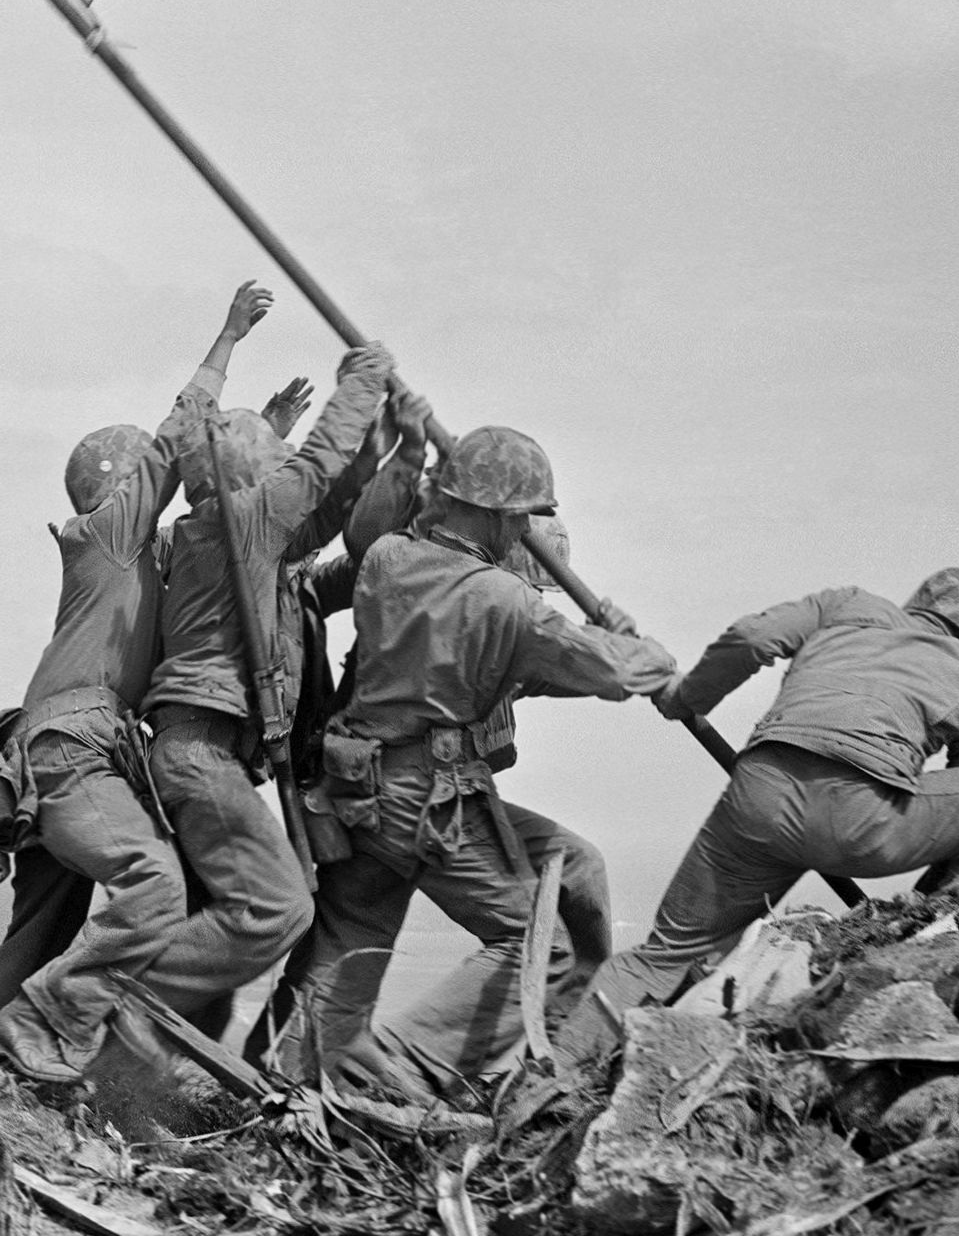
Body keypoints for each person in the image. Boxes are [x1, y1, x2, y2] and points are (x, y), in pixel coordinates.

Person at [274, 426, 676, 1095]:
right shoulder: (505, 601)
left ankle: (292, 1080)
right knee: (540, 947)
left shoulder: (390, 560)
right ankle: (395, 1066)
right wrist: (636, 645)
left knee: (349, 943)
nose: (523, 528)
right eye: (519, 516)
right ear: (493, 513)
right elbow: (613, 672)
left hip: (357, 787)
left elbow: (488, 658)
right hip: (426, 798)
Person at [0, 281, 276, 1082]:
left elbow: (221, 508)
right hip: (73, 750)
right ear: (122, 485)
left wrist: (265, 439)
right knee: (152, 883)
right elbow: (178, 440)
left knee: (38, 930)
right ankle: (42, 1034)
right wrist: (228, 338)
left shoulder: (129, 558)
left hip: (54, 752)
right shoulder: (107, 535)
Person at [559, 568, 959, 1065]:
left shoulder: (849, 605)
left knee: (663, 955)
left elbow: (752, 637)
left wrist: (686, 698)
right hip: (864, 822)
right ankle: (937, 936)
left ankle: (556, 1070)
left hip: (758, 799)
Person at [131, 341, 399, 1027]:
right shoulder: (241, 520)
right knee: (277, 908)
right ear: (249, 476)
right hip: (201, 751)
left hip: (200, 751)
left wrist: (387, 440)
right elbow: (317, 469)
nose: (285, 474)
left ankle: (146, 1061)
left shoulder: (227, 532)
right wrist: (363, 380)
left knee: (216, 937)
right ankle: (117, 1003)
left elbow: (329, 503)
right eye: (272, 464)